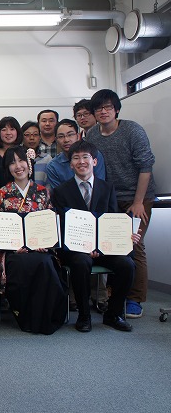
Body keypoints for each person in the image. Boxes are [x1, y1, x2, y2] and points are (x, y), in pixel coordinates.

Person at [85, 89, 156, 319]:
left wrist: (138, 202)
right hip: (110, 198)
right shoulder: (92, 135)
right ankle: (115, 295)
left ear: (116, 109)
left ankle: (134, 299)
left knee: (135, 245)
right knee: (113, 245)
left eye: (108, 107)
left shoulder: (132, 130)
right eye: (98, 108)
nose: (103, 112)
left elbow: (146, 166)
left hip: (137, 196)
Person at [52, 141, 136, 333]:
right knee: (81, 262)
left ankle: (113, 314)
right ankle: (84, 315)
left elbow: (113, 219)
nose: (81, 162)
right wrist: (86, 246)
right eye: (76, 158)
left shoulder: (107, 188)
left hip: (105, 247)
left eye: (85, 157)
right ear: (71, 164)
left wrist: (126, 236)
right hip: (76, 249)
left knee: (127, 264)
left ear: (95, 161)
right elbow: (62, 226)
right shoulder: (61, 191)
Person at [0, 146, 67, 334]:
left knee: (45, 263)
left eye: (21, 160)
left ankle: (47, 316)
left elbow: (50, 223)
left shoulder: (42, 192)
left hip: (40, 250)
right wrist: (11, 247)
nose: (18, 166)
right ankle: (26, 316)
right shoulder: (1, 194)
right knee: (21, 264)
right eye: (12, 162)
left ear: (29, 163)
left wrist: (45, 243)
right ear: (7, 168)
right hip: (13, 252)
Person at [45, 119, 106, 190]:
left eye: (70, 135)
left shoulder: (93, 155)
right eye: (61, 136)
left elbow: (100, 186)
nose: (66, 140)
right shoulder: (53, 166)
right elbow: (58, 193)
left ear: (78, 136)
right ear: (56, 140)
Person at [22, 121, 52, 187]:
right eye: (27, 135)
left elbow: (50, 184)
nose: (32, 138)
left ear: (40, 137)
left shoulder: (47, 159)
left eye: (35, 134)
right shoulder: (17, 159)